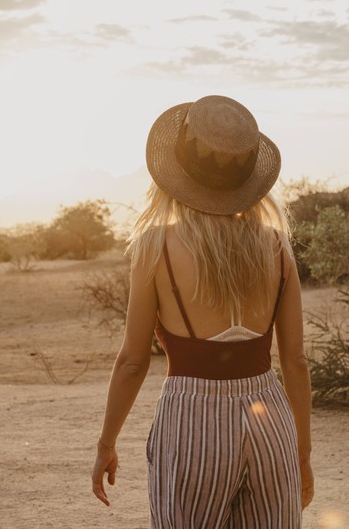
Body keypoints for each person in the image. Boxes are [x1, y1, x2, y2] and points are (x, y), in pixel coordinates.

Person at [91, 95, 313, 528]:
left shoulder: (154, 247)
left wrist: (106, 443)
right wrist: (302, 454)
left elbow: (133, 361)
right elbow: (296, 361)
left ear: (177, 172)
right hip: (269, 418)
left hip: (192, 419)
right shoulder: (276, 246)